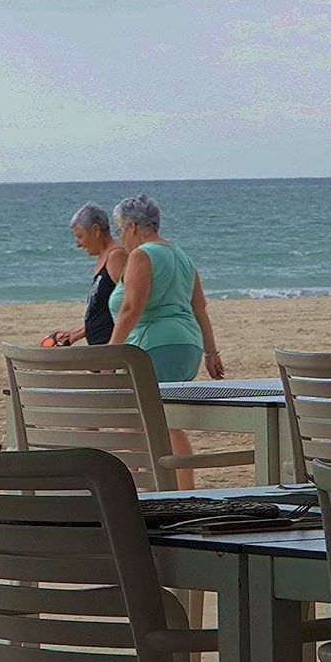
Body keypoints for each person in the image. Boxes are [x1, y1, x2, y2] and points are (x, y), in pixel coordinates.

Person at [107, 194, 225, 486]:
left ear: (133, 226)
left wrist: (110, 354)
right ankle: (180, 487)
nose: (120, 237)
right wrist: (211, 352)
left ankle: (141, 488)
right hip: (187, 345)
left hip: (154, 345)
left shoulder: (142, 255)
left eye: (120, 229)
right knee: (165, 419)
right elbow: (200, 307)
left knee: (138, 420)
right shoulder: (182, 255)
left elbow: (131, 308)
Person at [49, 203, 128, 346]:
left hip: (112, 348)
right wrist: (75, 334)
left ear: (96, 230)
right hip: (99, 348)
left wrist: (113, 347)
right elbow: (102, 314)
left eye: (80, 236)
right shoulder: (104, 258)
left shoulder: (116, 256)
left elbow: (131, 305)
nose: (78, 244)